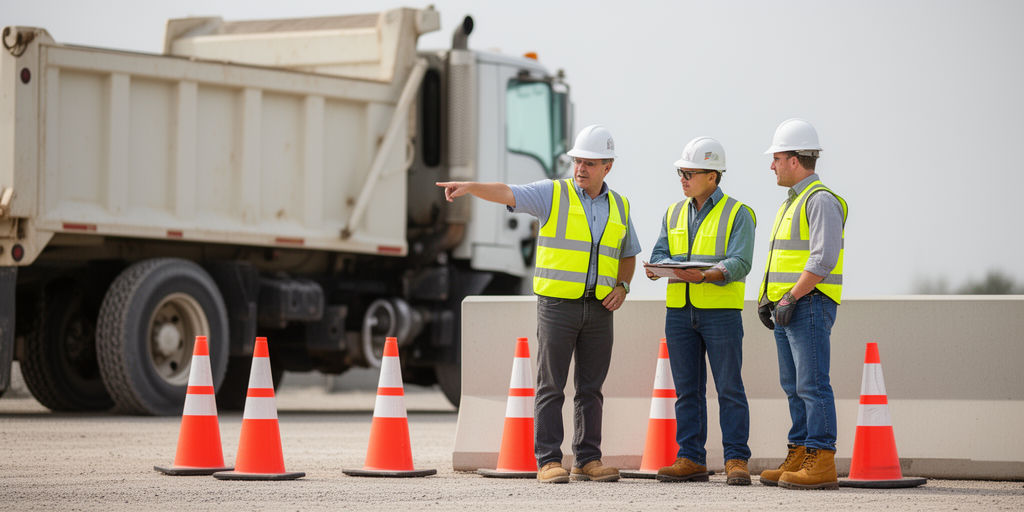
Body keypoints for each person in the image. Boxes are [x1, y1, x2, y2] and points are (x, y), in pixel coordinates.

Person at [436, 124, 640, 484]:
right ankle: (548, 459)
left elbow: (627, 254)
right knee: (551, 385)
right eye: (577, 160)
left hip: (599, 309)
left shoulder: (620, 205)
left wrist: (623, 286)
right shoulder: (553, 194)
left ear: (607, 167)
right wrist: (471, 187)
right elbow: (507, 192)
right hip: (557, 307)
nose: (580, 168)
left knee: (591, 388)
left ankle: (588, 459)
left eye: (590, 163)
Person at [644, 137, 755, 486]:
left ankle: (736, 459)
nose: (683, 177)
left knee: (729, 388)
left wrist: (704, 275)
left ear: (713, 175)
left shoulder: (739, 213)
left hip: (720, 311)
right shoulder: (673, 212)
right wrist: (657, 267)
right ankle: (690, 458)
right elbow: (661, 252)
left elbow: (740, 262)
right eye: (681, 171)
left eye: (689, 172)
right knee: (687, 390)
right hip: (679, 311)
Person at [756, 118, 848, 490]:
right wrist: (769, 298)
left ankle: (821, 457)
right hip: (788, 306)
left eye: (776, 158)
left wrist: (792, 296)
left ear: (794, 160)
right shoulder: (791, 203)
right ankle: (799, 451)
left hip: (807, 305)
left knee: (812, 384)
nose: (772, 166)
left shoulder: (819, 200)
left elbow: (822, 260)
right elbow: (783, 259)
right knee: (793, 385)